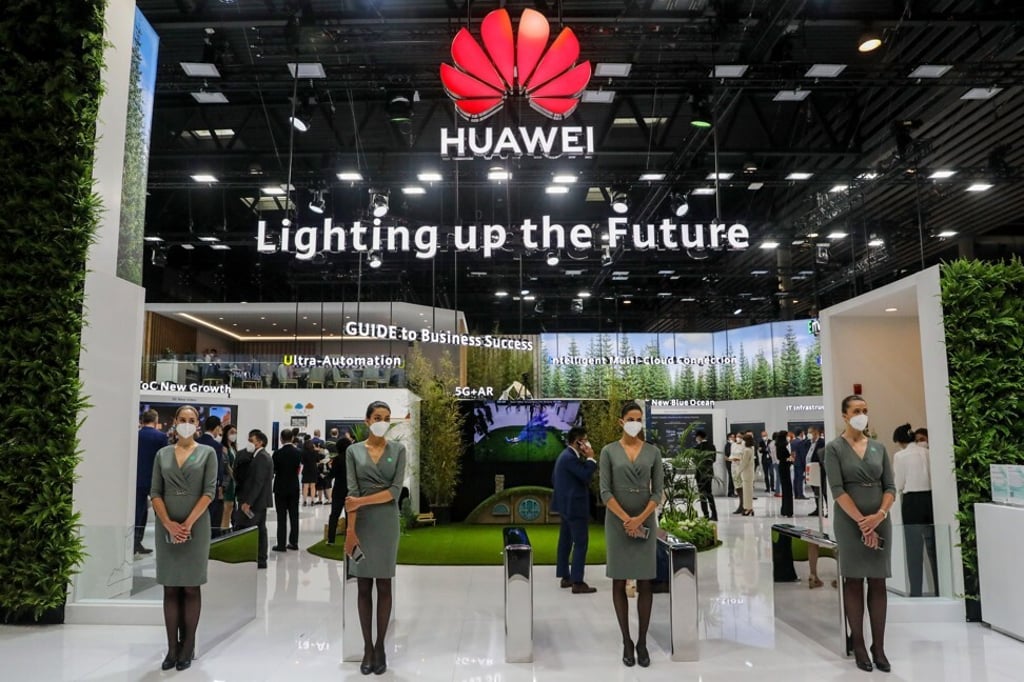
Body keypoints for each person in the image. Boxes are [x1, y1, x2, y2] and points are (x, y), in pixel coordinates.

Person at [822, 395, 896, 673]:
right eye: (856, 411)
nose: (862, 415)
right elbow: (837, 490)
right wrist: (862, 523)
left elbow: (890, 487)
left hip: (880, 520)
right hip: (849, 522)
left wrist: (879, 515)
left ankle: (880, 646)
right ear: (844, 415)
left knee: (878, 581)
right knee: (853, 580)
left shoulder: (879, 447)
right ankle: (860, 644)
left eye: (865, 410)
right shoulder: (834, 449)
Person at [149, 405, 217, 671]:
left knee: (190, 586)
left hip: (196, 527)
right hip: (166, 526)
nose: (187, 423)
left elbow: (209, 492)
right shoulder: (162, 454)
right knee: (170, 586)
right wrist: (169, 524)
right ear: (175, 422)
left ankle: (187, 647)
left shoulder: (208, 453)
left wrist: (186, 525)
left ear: (197, 424)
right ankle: (172, 648)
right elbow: (155, 492)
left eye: (192, 419)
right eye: (183, 419)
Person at [599, 403, 664, 669]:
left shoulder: (653, 452)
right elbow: (605, 491)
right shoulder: (608, 451)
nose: (635, 423)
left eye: (639, 419)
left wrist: (639, 519)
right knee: (619, 580)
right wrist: (626, 519)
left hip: (645, 520)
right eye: (630, 419)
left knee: (645, 581)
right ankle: (626, 641)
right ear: (621, 421)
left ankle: (642, 642)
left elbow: (657, 492)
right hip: (617, 523)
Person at [345, 401, 407, 675]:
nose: (382, 422)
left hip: (386, 522)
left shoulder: (398, 450)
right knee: (362, 585)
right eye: (378, 417)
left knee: (383, 584)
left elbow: (394, 491)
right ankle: (367, 648)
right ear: (367, 420)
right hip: (362, 523)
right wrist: (350, 531)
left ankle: (381, 646)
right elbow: (351, 493)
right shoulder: (353, 451)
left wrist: (361, 501)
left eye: (387, 418)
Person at [892, 423, 939, 597]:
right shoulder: (927, 452)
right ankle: (939, 588)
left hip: (912, 502)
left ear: (900, 441)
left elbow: (898, 483)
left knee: (914, 550)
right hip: (930, 499)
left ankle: (916, 591)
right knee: (934, 548)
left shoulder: (900, 456)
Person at [552, 426, 598, 593]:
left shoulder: (565, 456)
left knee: (565, 541)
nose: (587, 443)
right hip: (575, 507)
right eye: (584, 440)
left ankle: (565, 576)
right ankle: (577, 581)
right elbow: (585, 474)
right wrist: (591, 458)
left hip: (566, 506)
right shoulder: (570, 458)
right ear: (577, 442)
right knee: (580, 543)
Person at [236, 429, 273, 569]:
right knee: (260, 529)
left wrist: (248, 502)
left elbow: (258, 482)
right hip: (260, 501)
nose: (249, 443)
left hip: (257, 502)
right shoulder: (258, 456)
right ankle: (260, 559)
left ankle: (256, 558)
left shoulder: (262, 457)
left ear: (260, 442)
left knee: (254, 529)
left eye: (252, 440)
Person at [136, 409, 168, 555]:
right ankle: (164, 544)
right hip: (156, 480)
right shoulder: (161, 437)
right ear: (156, 421)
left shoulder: (137, 435)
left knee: (139, 513)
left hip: (138, 479)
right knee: (160, 513)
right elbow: (165, 460)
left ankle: (136, 542)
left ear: (142, 420)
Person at [272, 428, 302, 552]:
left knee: (281, 517)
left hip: (280, 487)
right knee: (294, 516)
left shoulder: (277, 454)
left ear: (281, 439)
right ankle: (294, 542)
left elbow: (274, 470)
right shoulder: (298, 453)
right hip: (294, 486)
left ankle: (281, 544)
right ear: (292, 438)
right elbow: (298, 468)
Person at [195, 415, 225, 538]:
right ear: (217, 428)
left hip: (196, 484)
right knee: (211, 516)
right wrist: (220, 484)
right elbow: (218, 467)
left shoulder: (196, 442)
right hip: (211, 485)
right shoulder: (216, 445)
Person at [325, 429, 354, 546]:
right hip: (351, 490)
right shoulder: (352, 459)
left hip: (338, 490)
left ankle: (331, 539)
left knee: (334, 515)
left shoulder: (337, 459)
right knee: (349, 515)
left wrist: (328, 470)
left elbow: (332, 475)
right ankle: (348, 539)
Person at [693, 430, 717, 522]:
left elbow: (695, 461)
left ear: (699, 437)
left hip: (700, 474)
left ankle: (706, 515)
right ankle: (714, 514)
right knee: (709, 494)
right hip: (709, 472)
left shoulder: (697, 447)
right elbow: (714, 459)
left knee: (702, 495)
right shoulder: (712, 446)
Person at [219, 424, 239, 533]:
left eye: (235, 432)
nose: (233, 435)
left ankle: (227, 528)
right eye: (231, 432)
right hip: (228, 481)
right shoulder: (224, 448)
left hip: (234, 481)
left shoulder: (233, 448)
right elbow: (226, 466)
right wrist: (234, 477)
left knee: (231, 507)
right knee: (227, 507)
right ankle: (224, 531)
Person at [807, 427, 828, 517]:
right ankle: (819, 508)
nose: (809, 434)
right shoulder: (810, 443)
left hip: (820, 470)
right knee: (816, 491)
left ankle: (828, 508)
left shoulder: (821, 442)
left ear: (815, 433)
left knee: (823, 490)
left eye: (810, 432)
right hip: (812, 470)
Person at [774, 431, 794, 518]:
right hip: (785, 468)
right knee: (788, 489)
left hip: (782, 467)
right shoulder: (782, 447)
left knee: (785, 489)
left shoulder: (778, 446)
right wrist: (790, 459)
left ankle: (784, 510)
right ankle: (788, 510)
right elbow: (785, 458)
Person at [736, 433, 756, 516]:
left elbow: (744, 463)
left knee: (747, 492)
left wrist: (738, 471)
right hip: (750, 472)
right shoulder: (751, 449)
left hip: (746, 473)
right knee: (749, 492)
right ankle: (749, 507)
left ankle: (748, 508)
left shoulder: (747, 450)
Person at [791, 429, 810, 499]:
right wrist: (805, 464)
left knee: (796, 479)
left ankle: (796, 494)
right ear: (801, 433)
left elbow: (792, 453)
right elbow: (802, 454)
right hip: (800, 463)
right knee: (800, 479)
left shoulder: (793, 442)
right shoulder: (800, 442)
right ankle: (800, 494)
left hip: (795, 462)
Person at [301, 438, 320, 506]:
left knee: (305, 486)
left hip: (306, 469)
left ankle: (304, 501)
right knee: (313, 486)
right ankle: (312, 501)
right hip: (314, 469)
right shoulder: (315, 452)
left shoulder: (303, 452)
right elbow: (318, 460)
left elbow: (302, 462)